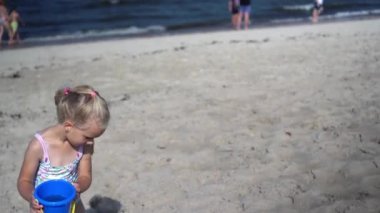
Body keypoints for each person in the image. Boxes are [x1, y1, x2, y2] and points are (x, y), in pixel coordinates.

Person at [17, 85, 110, 213]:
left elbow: (85, 176)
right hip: (44, 208)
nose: (91, 142)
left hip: (73, 205)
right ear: (68, 126)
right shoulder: (39, 146)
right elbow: (24, 180)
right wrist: (31, 197)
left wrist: (80, 186)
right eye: (88, 137)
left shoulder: (84, 146)